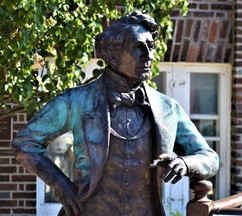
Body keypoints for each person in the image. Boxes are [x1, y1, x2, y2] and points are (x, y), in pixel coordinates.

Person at [12, 11, 219, 216]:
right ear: (112, 53)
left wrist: (185, 162)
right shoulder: (76, 101)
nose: (149, 55)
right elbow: (25, 143)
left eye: (151, 46)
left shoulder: (168, 109)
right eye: (138, 47)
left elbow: (210, 158)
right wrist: (60, 184)